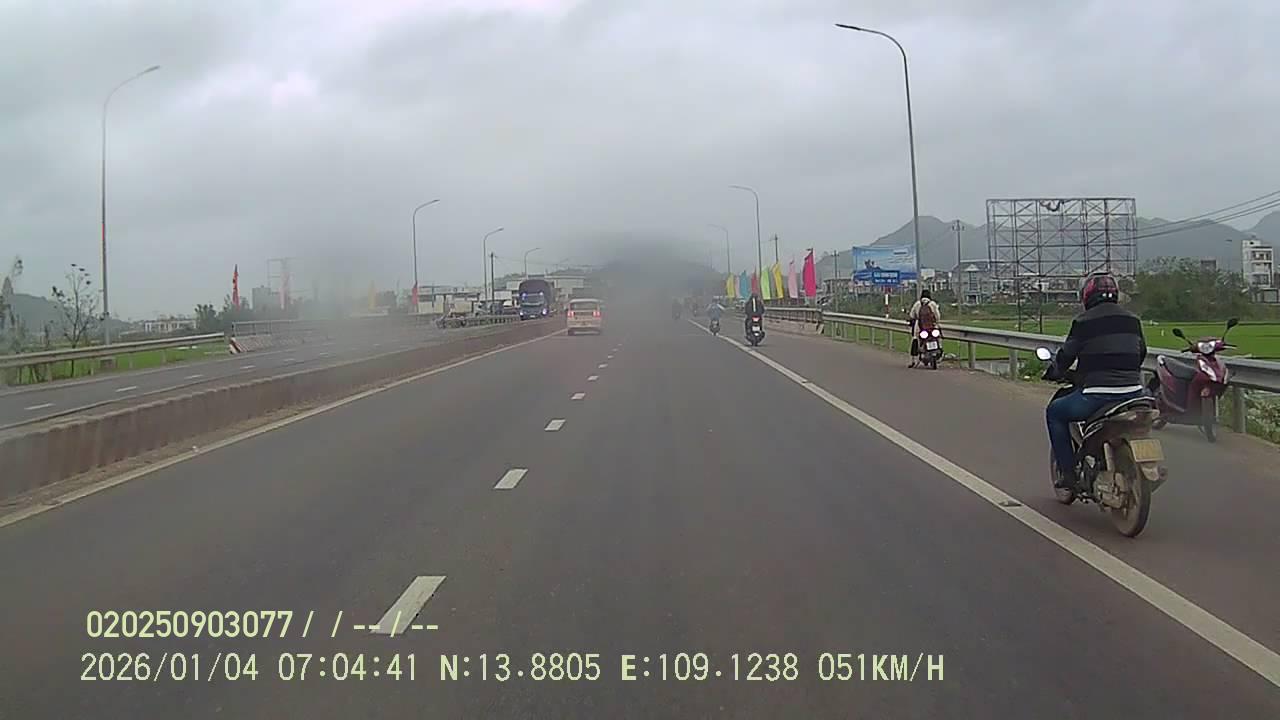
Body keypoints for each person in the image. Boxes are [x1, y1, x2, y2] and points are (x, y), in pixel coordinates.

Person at [1045, 272, 1148, 490]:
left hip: (1097, 395)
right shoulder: (1133, 320)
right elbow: (1141, 352)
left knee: (1055, 413)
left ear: (1087, 296)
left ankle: (1068, 473)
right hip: (1134, 394)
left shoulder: (1083, 322)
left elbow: (1066, 356)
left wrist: (1054, 371)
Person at [907, 289, 941, 367]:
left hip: (920, 327)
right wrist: (936, 322)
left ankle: (913, 361)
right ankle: (939, 353)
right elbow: (938, 316)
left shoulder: (917, 304)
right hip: (932, 327)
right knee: (938, 339)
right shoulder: (933, 304)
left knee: (915, 340)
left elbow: (912, 315)